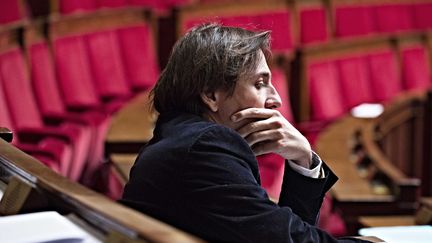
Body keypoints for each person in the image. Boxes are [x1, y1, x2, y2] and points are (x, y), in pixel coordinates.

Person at [120, 23, 370, 242]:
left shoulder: (181, 137)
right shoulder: (205, 147)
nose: (276, 100)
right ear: (211, 95)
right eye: (260, 84)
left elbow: (286, 233)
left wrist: (304, 159)